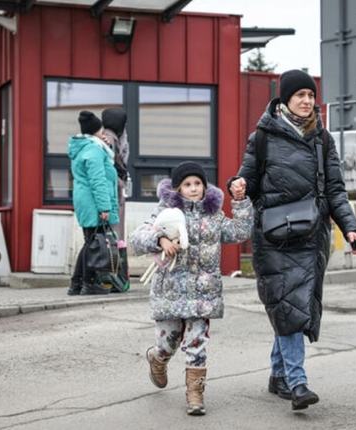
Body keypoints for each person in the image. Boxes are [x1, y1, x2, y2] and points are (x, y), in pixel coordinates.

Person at [228, 69, 356, 411]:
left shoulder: (322, 139)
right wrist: (238, 186)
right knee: (289, 306)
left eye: (310, 95)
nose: (307, 101)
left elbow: (335, 190)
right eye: (299, 95)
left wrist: (350, 227)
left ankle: (279, 375)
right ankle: (297, 382)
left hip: (311, 236)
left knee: (292, 307)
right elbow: (247, 180)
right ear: (285, 98)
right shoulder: (262, 137)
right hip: (274, 237)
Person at [129, 161, 253, 416]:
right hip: (170, 292)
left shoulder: (214, 216)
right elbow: (137, 237)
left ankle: (195, 394)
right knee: (169, 342)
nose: (194, 188)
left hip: (202, 294)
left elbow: (240, 231)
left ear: (204, 187)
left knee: (197, 343)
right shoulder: (166, 212)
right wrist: (161, 239)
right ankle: (158, 358)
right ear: (178, 188)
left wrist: (240, 201)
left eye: (198, 183)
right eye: (187, 184)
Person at [67, 110, 120, 296]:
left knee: (90, 242)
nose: (103, 133)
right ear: (96, 130)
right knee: (93, 243)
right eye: (101, 130)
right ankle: (87, 283)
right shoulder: (93, 150)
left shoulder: (87, 147)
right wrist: (104, 207)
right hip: (93, 202)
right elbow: (98, 180)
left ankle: (77, 284)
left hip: (86, 200)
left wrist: (105, 146)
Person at [101, 107, 130, 239]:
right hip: (112, 193)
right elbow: (108, 167)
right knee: (113, 233)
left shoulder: (109, 137)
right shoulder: (108, 139)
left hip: (114, 191)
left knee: (114, 232)